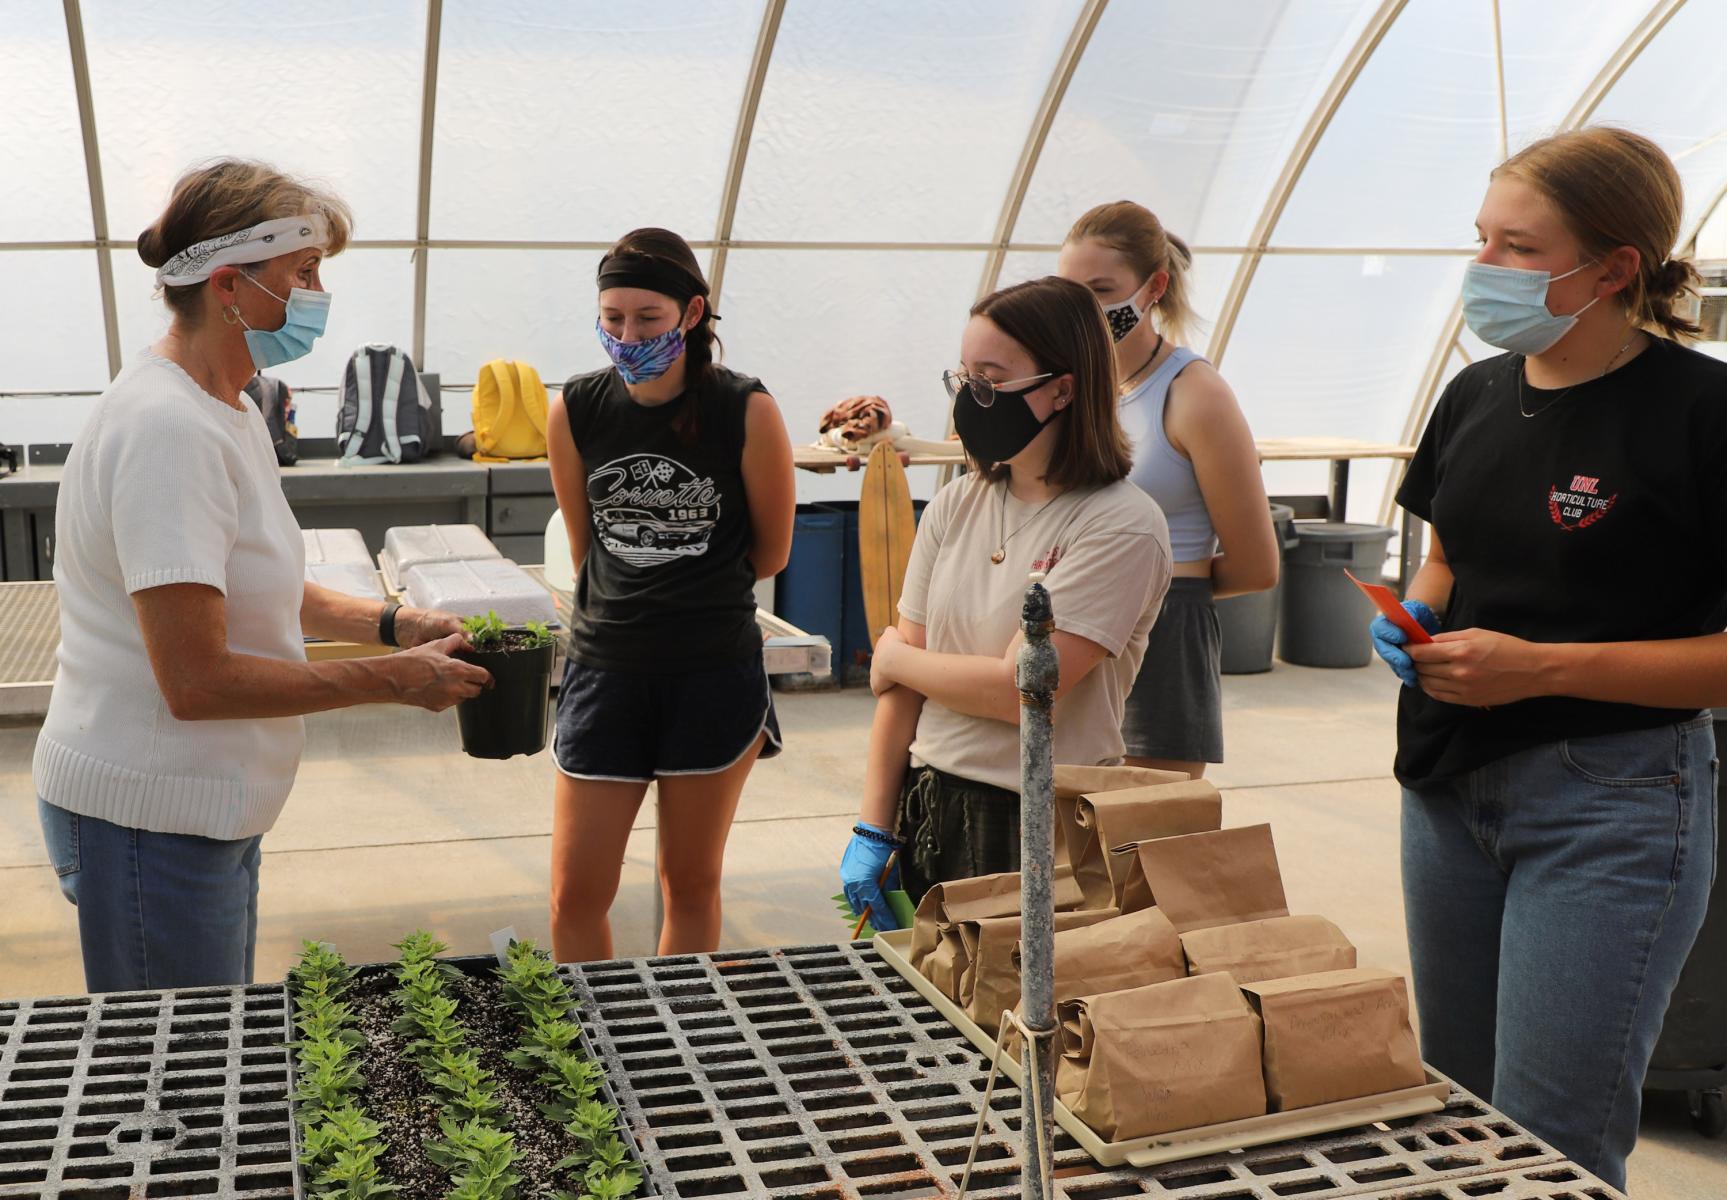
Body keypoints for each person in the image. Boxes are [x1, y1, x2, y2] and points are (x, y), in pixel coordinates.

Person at [34, 159, 490, 992]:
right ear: (229, 286)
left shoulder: (230, 405)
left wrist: (394, 624)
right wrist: (392, 680)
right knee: (180, 1081)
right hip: (149, 817)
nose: (318, 294)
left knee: (215, 1055)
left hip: (199, 809)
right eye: (303, 273)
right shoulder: (168, 429)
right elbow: (197, 680)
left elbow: (242, 585)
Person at [1372, 127, 1724, 1191]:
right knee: (1457, 1113)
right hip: (1443, 786)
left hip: (1606, 800)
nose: (1485, 270)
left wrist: (1542, 669)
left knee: (1547, 1145)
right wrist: (1413, 617)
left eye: (1517, 248)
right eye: (1480, 240)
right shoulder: (1473, 395)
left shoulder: (1699, 414)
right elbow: (1447, 553)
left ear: (1614, 267)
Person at [839, 276, 1172, 924]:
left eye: (991, 380)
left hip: (1033, 821)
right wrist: (872, 829)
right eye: (964, 378)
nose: (972, 399)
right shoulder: (957, 502)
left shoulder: (1119, 524)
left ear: (1062, 388)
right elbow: (900, 689)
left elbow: (1021, 692)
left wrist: (896, 657)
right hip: (927, 799)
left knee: (1006, 1017)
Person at [545, 228, 796, 961]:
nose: (626, 335)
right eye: (613, 317)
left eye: (647, 318)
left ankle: (678, 1047)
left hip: (710, 670)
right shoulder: (576, 409)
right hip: (605, 670)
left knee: (688, 884)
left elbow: (770, 551)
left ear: (691, 314)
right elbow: (585, 543)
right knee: (573, 894)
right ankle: (584, 1056)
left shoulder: (744, 409)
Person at [1058, 202, 1279, 778]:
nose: (1084, 308)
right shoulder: (1075, 386)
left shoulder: (1195, 394)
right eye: (1069, 291)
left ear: (1154, 287)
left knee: (1148, 845)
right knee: (1062, 848)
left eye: (1102, 289)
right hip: (1072, 624)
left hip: (1162, 632)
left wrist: (1157, 589)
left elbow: (1257, 566)